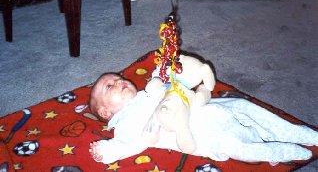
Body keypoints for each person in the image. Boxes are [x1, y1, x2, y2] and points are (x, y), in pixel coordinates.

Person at [89, 59, 318, 165]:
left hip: (209, 108)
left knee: (245, 107)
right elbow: (128, 143)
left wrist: (165, 69)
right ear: (106, 111)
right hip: (202, 134)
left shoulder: (146, 93)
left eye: (119, 78)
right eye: (110, 86)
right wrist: (106, 151)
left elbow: (168, 84)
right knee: (239, 147)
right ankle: (280, 151)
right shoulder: (126, 123)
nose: (120, 82)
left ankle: (296, 133)